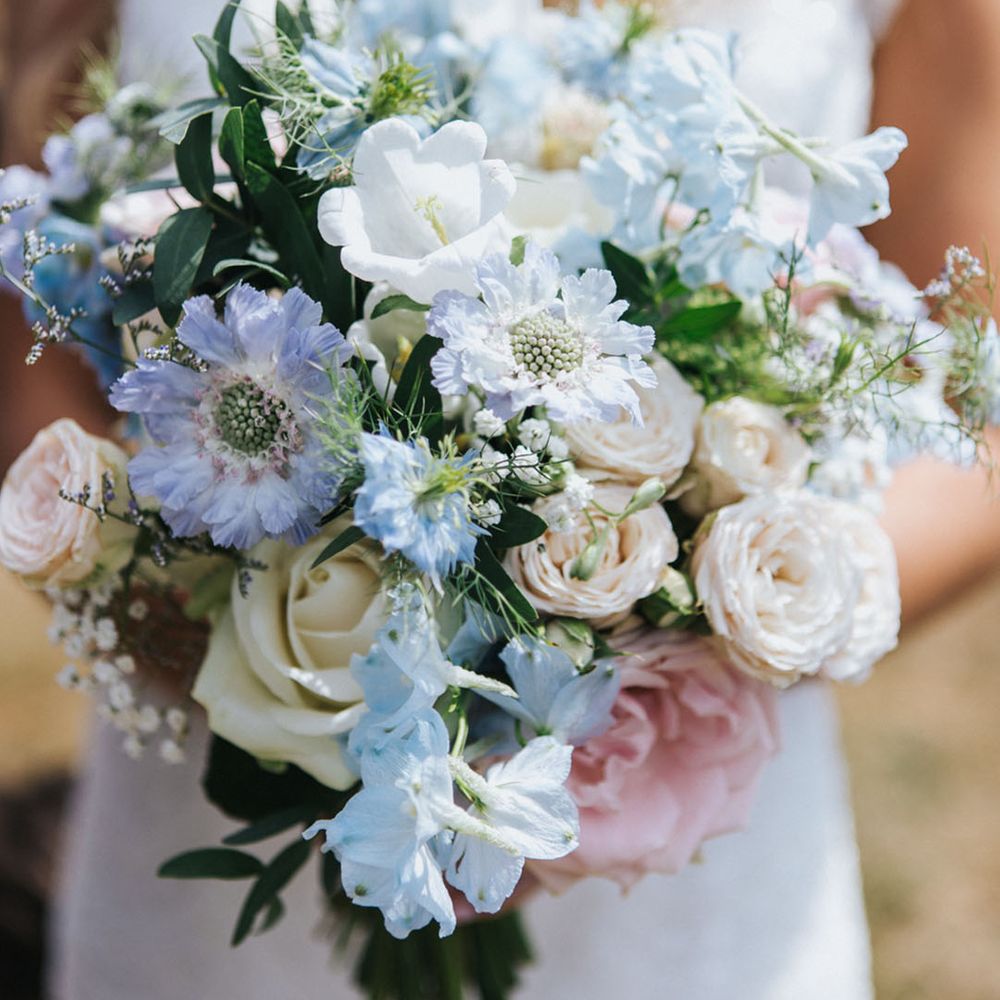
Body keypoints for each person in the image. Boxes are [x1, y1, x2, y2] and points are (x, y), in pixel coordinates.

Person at [33, 1, 1000, 998]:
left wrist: (707, 619)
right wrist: (200, 633)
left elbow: (982, 414)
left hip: (679, 858)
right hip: (207, 871)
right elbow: (23, 287)